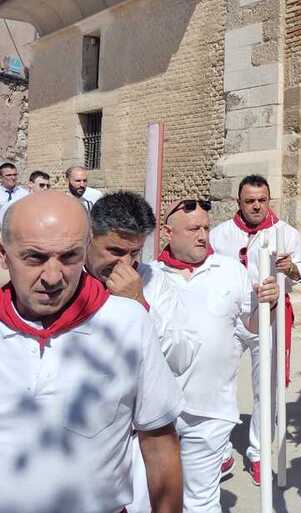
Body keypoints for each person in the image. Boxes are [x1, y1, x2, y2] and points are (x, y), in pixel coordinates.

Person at [0, 192, 183, 513]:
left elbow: (158, 442)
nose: (53, 277)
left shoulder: (128, 321)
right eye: (34, 258)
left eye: (69, 257)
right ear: (4, 256)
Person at [155, 198, 279, 513]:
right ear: (169, 232)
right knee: (158, 500)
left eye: (206, 228)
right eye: (193, 229)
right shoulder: (148, 276)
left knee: (202, 502)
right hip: (156, 413)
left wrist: (270, 304)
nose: (202, 235)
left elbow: (254, 328)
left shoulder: (230, 270)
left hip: (210, 411)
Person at [86, 191, 199, 513]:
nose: (126, 263)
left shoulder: (154, 282)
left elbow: (182, 355)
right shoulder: (65, 280)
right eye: (115, 251)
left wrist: (139, 307)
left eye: (135, 252)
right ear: (89, 238)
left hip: (138, 436)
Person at [209, 174, 301, 485]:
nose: (256, 206)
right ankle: (221, 449)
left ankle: (258, 452)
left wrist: (289, 268)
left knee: (265, 386)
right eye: (250, 201)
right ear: (239, 203)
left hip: (269, 316)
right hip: (230, 320)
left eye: (262, 200)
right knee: (220, 383)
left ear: (269, 201)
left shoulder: (285, 234)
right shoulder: (219, 235)